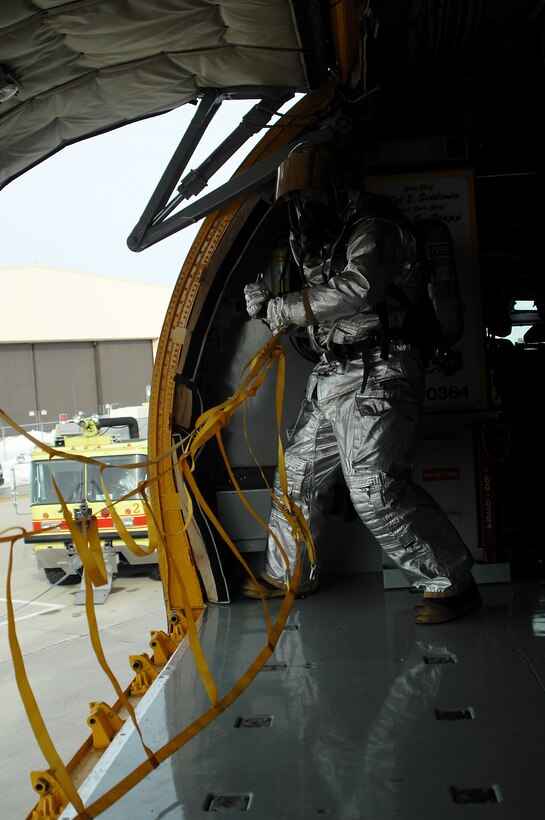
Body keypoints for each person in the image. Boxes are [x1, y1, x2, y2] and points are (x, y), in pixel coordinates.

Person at [241, 141, 481, 624]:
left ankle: (453, 584)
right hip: (333, 374)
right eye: (296, 201)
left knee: (375, 487)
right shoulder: (319, 242)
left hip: (381, 371)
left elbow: (361, 288)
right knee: (299, 477)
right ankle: (289, 575)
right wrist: (269, 298)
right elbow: (318, 302)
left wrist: (282, 308)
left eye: (310, 197)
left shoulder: (376, 227)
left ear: (337, 189)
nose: (303, 209)